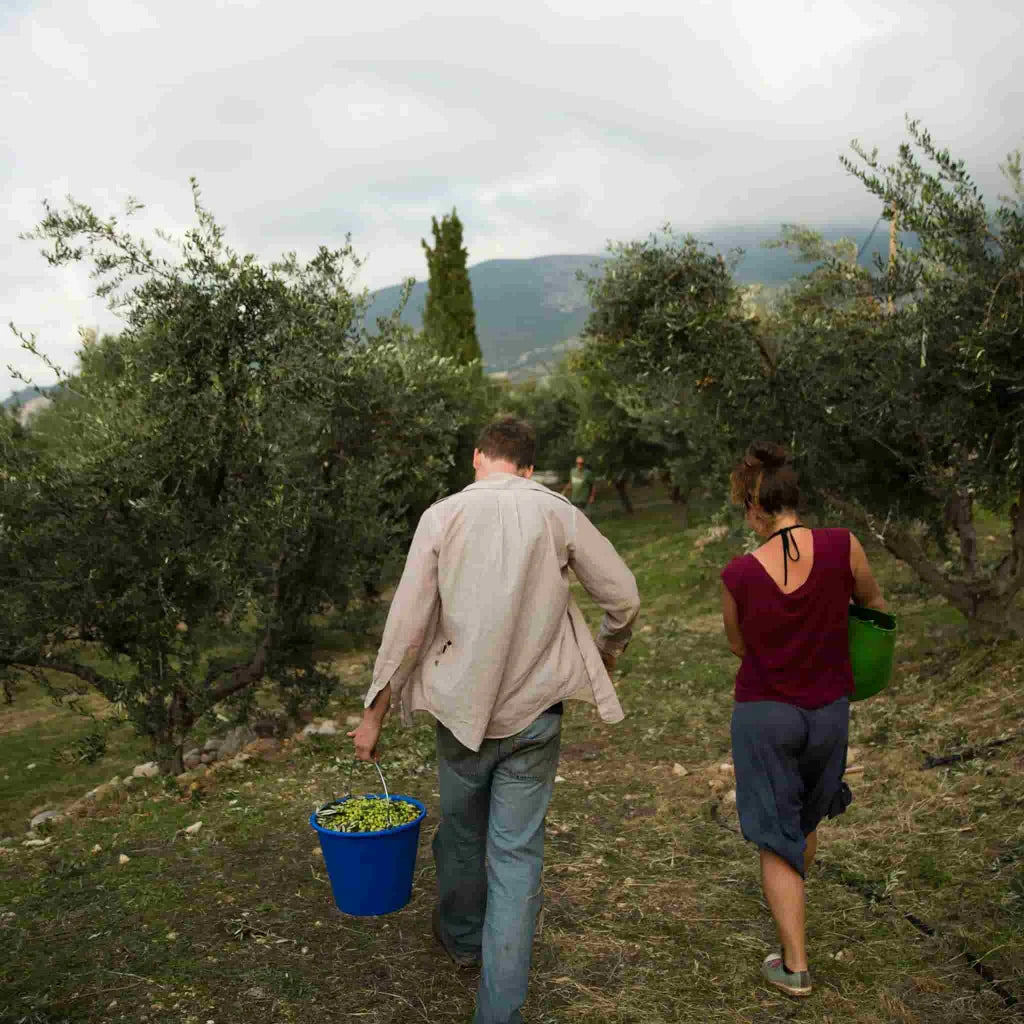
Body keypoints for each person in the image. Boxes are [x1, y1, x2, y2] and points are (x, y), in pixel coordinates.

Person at [349, 417, 640, 1024]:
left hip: (460, 714)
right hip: (537, 714)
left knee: (460, 832)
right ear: (529, 468)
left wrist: (374, 714)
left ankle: (459, 940)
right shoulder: (557, 512)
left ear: (478, 458)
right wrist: (610, 648)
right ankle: (498, 1010)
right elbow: (623, 596)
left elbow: (406, 625)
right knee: (515, 857)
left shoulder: (442, 515)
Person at [719, 442, 887, 999]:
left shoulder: (739, 574)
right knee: (804, 819)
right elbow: (875, 610)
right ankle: (793, 905)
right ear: (795, 498)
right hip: (829, 711)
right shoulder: (845, 547)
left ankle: (794, 965)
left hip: (766, 713)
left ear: (754, 508)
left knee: (775, 835)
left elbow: (740, 646)